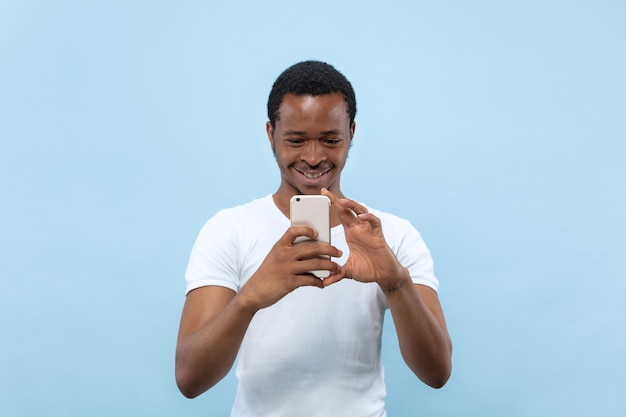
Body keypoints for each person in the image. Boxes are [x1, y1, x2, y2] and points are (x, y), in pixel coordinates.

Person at [175, 60, 452, 416]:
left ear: (352, 132)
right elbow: (189, 379)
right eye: (296, 140)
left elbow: (437, 372)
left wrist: (395, 282)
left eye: (330, 140)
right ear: (270, 133)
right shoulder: (229, 229)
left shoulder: (390, 235)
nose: (313, 156)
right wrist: (250, 298)